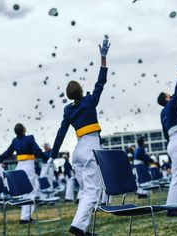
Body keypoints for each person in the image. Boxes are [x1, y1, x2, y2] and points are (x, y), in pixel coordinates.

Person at [48, 36, 110, 236]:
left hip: (78, 152)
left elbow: (60, 132)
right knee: (92, 192)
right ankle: (77, 226)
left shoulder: (68, 110)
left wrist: (52, 155)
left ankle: (83, 228)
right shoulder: (90, 101)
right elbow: (101, 82)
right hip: (92, 148)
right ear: (82, 91)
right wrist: (103, 58)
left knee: (85, 191)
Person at [0, 123, 47, 224]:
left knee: (27, 191)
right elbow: (37, 150)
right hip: (28, 167)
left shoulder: (14, 141)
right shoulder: (29, 138)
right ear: (24, 130)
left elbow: (8, 152)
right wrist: (46, 158)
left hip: (19, 167)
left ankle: (25, 216)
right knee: (31, 191)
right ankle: (25, 218)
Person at [157, 64, 177, 217]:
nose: (171, 95)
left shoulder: (163, 112)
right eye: (169, 95)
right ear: (166, 98)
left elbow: (164, 133)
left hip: (173, 141)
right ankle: (171, 208)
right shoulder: (170, 105)